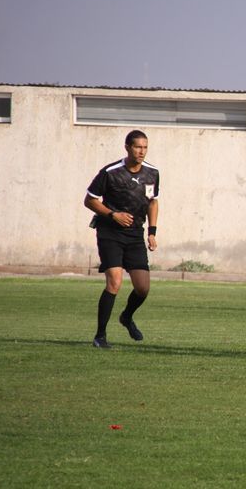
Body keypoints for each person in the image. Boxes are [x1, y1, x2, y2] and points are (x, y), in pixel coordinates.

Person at [84, 130, 159, 349]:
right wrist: (112, 214)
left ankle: (126, 316)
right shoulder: (110, 172)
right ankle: (100, 336)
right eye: (137, 147)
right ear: (127, 147)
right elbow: (89, 200)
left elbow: (153, 202)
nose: (141, 151)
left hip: (135, 235)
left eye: (145, 147)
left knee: (143, 288)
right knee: (114, 282)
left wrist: (152, 232)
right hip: (110, 233)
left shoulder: (152, 173)